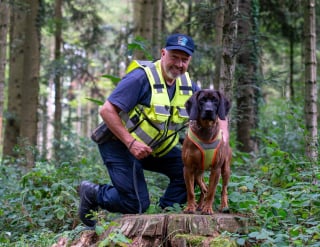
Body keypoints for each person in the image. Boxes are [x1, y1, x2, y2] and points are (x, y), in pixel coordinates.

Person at [79, 33, 199, 227]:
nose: (178, 64)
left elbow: (214, 111)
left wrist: (223, 135)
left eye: (184, 60)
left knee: (190, 169)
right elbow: (106, 110)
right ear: (163, 53)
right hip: (119, 144)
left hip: (154, 147)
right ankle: (93, 193)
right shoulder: (140, 78)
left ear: (189, 61)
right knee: (136, 204)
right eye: (174, 57)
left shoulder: (187, 85)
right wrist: (131, 143)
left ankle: (165, 217)